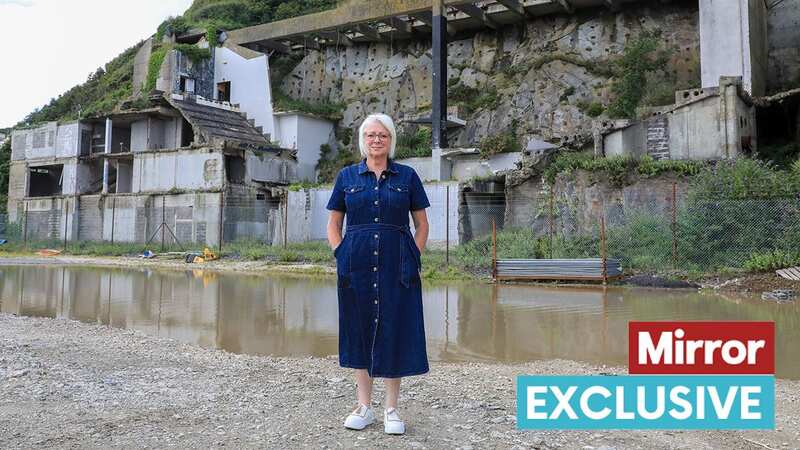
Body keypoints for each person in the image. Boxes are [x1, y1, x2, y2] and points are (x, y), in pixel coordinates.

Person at [326, 113, 430, 435]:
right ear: (363, 140)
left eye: (382, 135)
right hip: (355, 262)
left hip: (397, 263)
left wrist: (413, 254)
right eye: (370, 135)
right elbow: (333, 224)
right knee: (359, 329)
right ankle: (364, 406)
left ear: (391, 140)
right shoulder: (346, 177)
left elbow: (422, 224)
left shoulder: (408, 177)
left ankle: (391, 409)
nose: (376, 140)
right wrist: (340, 252)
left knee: (393, 329)